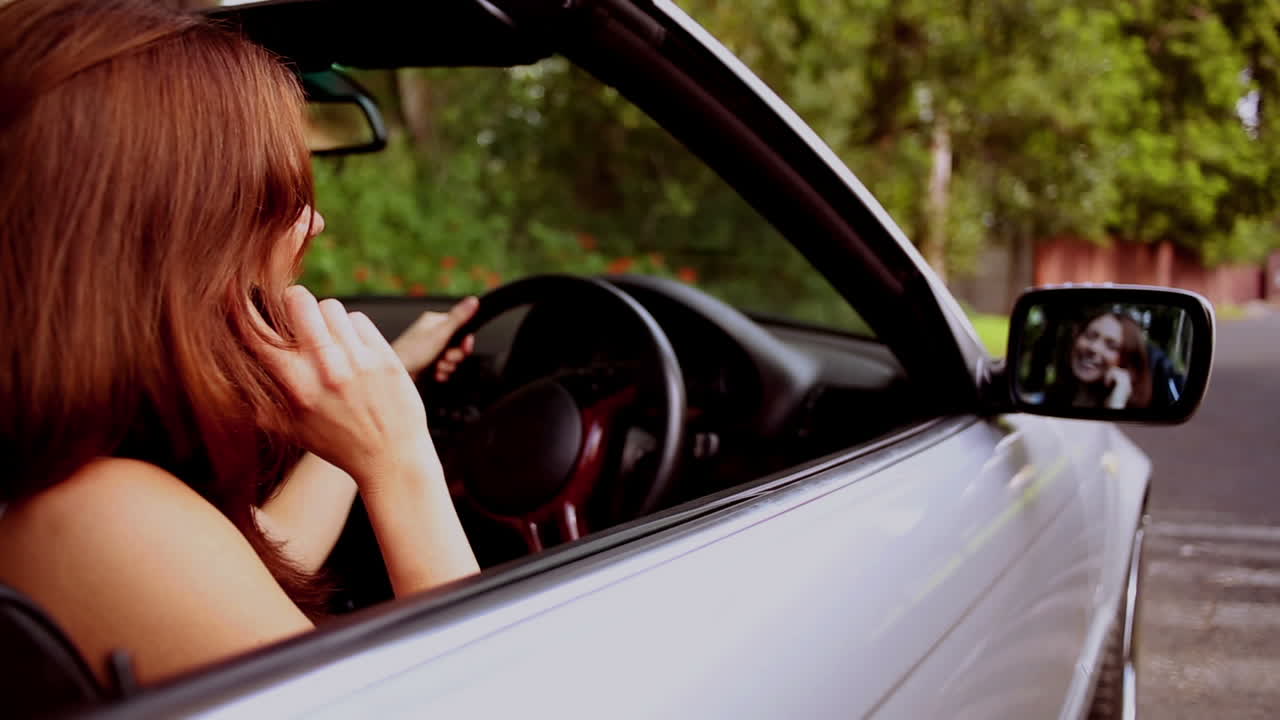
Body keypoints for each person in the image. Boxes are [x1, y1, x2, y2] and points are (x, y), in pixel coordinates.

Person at [0, 0, 479, 687]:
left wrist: (377, 411)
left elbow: (252, 557)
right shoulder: (95, 512)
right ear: (168, 239)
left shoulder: (71, 486)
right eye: (271, 194)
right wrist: (402, 466)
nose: (313, 224)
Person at [1051, 311, 1154, 410]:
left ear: (1127, 361)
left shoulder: (1140, 421)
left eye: (1111, 346)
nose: (1094, 348)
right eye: (1090, 336)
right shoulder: (1042, 399)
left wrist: (1116, 404)